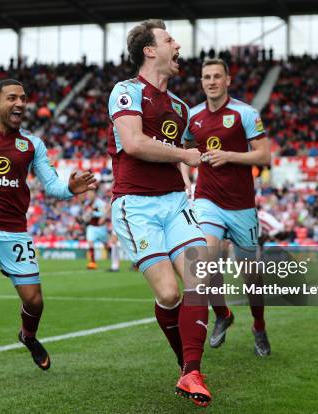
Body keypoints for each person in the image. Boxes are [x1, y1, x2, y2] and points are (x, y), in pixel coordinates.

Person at [0, 79, 96, 396]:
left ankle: (27, 335)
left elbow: (52, 186)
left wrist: (70, 188)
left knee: (34, 300)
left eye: (23, 98)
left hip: (15, 233)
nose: (20, 103)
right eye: (12, 98)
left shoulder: (33, 144)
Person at [108, 19, 211, 406]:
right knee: (169, 294)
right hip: (136, 205)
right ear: (150, 50)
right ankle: (186, 366)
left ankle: (192, 372)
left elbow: (181, 157)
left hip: (174, 202)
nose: (178, 45)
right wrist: (185, 154)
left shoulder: (181, 106)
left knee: (201, 278)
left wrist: (196, 162)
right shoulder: (127, 91)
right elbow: (133, 143)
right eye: (170, 40)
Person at [184, 58, 272, 356]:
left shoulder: (245, 113)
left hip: (242, 206)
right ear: (202, 82)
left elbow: (264, 156)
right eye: (206, 76)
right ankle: (222, 314)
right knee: (203, 260)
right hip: (207, 199)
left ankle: (258, 325)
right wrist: (186, 178)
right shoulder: (192, 116)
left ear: (227, 80)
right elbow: (182, 152)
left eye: (217, 76)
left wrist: (229, 156)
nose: (211, 81)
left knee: (251, 276)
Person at [83, 189, 109, 270]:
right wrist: (86, 216)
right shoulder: (87, 203)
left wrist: (93, 213)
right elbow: (86, 214)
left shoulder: (100, 203)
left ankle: (113, 256)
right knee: (90, 242)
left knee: (106, 245)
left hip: (101, 227)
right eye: (88, 193)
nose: (89, 195)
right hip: (92, 226)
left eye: (91, 193)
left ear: (94, 193)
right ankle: (93, 262)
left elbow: (104, 213)